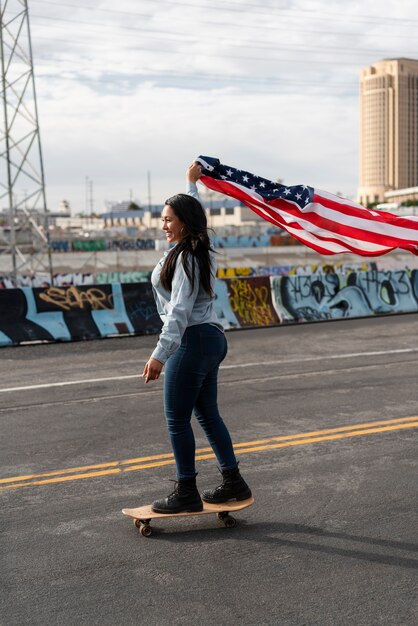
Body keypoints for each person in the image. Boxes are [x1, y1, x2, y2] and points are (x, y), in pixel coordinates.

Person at [142, 162, 252, 514]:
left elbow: (178, 311)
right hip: (210, 339)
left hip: (192, 340)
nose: (163, 225)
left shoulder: (187, 258)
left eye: (168, 219)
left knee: (177, 419)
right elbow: (193, 208)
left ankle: (186, 491)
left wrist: (160, 354)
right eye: (162, 219)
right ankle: (233, 481)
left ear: (184, 223)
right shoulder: (196, 249)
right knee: (206, 415)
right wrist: (191, 183)